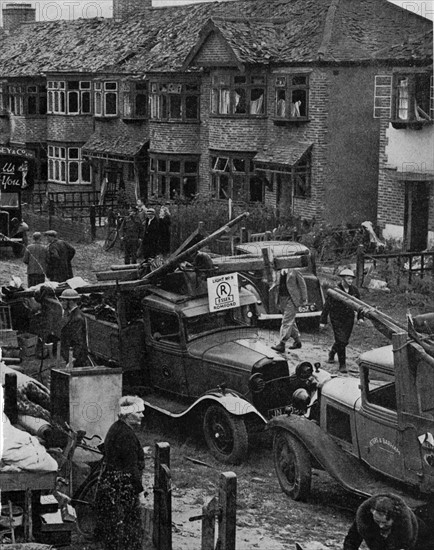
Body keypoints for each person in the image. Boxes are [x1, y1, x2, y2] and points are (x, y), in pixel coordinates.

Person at [95, 396, 146, 550]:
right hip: (122, 488)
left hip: (110, 484)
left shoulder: (116, 427)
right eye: (139, 412)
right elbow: (131, 468)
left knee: (113, 527)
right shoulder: (126, 435)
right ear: (127, 414)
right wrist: (140, 492)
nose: (142, 415)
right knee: (130, 527)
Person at [343, 493, 433, 550]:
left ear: (395, 519)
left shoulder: (409, 528)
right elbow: (351, 540)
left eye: (385, 523)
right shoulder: (364, 518)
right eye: (377, 521)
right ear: (372, 512)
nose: (381, 526)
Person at [319, 267, 361, 373]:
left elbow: (359, 305)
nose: (350, 281)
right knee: (341, 341)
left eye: (351, 279)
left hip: (349, 318)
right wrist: (323, 321)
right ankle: (342, 365)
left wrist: (360, 317)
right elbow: (327, 306)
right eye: (348, 279)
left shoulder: (354, 290)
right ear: (342, 279)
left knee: (344, 341)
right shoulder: (335, 290)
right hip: (337, 318)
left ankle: (333, 352)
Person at [271, 261, 308, 354]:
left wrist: (304, 299)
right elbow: (276, 283)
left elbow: (302, 285)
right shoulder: (278, 270)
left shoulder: (295, 270)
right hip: (282, 299)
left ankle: (282, 343)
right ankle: (297, 341)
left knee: (286, 321)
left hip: (292, 299)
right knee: (290, 320)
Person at [59, 288, 88, 368]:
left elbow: (78, 341)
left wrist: (72, 360)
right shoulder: (72, 314)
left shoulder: (77, 318)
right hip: (72, 356)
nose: (61, 303)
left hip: (77, 358)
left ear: (71, 301)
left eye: (63, 300)